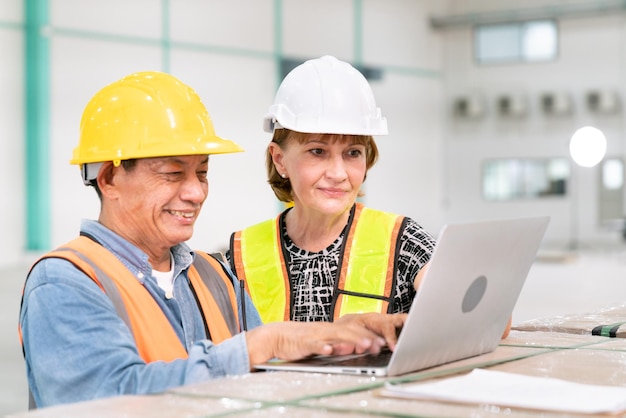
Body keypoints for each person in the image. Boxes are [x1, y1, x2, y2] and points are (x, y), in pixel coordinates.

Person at [18, 71, 407, 409]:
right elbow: (107, 400)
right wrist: (264, 342)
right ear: (109, 179)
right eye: (173, 174)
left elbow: (268, 376)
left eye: (202, 173)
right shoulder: (67, 282)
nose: (196, 193)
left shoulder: (214, 277)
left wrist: (333, 337)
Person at [228, 56, 436, 324]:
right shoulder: (240, 255)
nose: (338, 174)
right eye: (318, 151)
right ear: (280, 159)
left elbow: (482, 318)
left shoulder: (403, 241)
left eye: (352, 153)